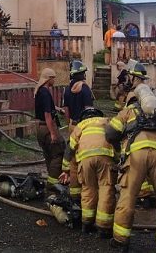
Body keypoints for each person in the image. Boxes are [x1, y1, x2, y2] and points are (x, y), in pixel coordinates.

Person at [105, 66, 156, 252]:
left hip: (136, 153)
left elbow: (110, 134)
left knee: (128, 195)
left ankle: (120, 241)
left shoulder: (128, 112)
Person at [59, 107, 116, 239]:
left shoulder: (80, 126)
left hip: (85, 160)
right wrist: (117, 159)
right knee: (105, 189)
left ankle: (87, 224)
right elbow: (116, 141)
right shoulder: (107, 121)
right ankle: (103, 228)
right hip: (105, 157)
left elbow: (70, 149)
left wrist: (65, 170)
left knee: (88, 189)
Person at [61, 60, 94, 204]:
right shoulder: (85, 89)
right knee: (86, 157)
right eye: (84, 73)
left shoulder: (67, 89)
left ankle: (75, 194)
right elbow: (89, 110)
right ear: (81, 74)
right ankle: (88, 188)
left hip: (73, 126)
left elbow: (66, 111)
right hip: (85, 128)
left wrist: (71, 123)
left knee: (73, 159)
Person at [34, 67, 65, 187]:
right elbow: (47, 114)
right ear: (48, 79)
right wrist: (53, 133)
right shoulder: (46, 93)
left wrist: (57, 109)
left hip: (40, 128)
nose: (54, 81)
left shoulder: (39, 91)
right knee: (58, 153)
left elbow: (46, 108)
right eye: (53, 78)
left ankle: (51, 180)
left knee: (48, 154)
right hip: (47, 127)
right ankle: (53, 183)